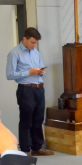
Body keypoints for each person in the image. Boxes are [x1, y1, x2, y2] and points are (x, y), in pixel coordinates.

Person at [6, 27, 53, 156]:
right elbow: (10, 75)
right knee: (26, 120)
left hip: (39, 88)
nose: (34, 45)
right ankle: (25, 150)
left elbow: (40, 67)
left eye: (36, 43)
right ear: (25, 39)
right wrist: (29, 72)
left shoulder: (36, 52)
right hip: (26, 89)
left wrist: (41, 72)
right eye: (32, 42)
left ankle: (37, 148)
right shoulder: (14, 53)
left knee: (38, 119)